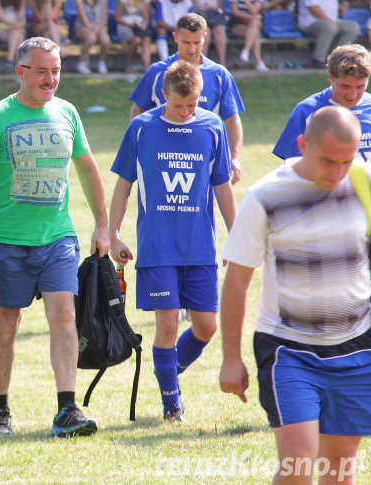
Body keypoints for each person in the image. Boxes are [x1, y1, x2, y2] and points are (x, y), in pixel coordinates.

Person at [0, 37, 109, 437]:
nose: (50, 78)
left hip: (57, 237)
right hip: (5, 239)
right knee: (6, 324)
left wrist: (102, 224)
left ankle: (67, 409)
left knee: (64, 317)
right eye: (42, 70)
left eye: (56, 70)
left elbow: (88, 170)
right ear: (21, 72)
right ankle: (0, 410)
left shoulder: (67, 112)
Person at [219, 105, 371, 484]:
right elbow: (236, 280)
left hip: (356, 346)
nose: (337, 172)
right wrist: (231, 358)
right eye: (328, 161)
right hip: (289, 350)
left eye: (346, 161)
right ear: (302, 144)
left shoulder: (363, 181)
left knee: (340, 467)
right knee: (298, 464)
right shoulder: (265, 197)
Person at [109, 60, 236, 423]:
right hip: (157, 247)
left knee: (206, 327)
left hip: (200, 247)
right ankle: (171, 404)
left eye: (192, 105)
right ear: (163, 95)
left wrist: (237, 235)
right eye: (178, 105)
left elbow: (222, 185)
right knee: (167, 325)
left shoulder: (212, 127)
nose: (185, 112)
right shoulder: (141, 128)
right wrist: (113, 232)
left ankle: (166, 371)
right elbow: (123, 184)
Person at [129, 13, 245, 184]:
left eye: (197, 42)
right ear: (175, 38)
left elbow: (232, 119)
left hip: (203, 157)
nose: (192, 49)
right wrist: (138, 148)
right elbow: (137, 111)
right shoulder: (157, 71)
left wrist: (235, 157)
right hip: (161, 156)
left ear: (205, 37)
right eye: (186, 42)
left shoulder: (219, 75)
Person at [274, 43, 371, 163]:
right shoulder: (307, 111)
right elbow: (291, 166)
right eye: (345, 86)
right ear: (330, 77)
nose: (353, 94)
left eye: (360, 86)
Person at [298, 0, 359, 68]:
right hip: (310, 22)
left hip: (333, 20)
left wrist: (344, 4)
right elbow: (313, 8)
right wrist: (329, 21)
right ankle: (318, 60)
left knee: (352, 27)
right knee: (329, 27)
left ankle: (336, 58)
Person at [74, 0, 111, 74]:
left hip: (98, 26)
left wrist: (98, 28)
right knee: (91, 38)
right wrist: (90, 28)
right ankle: (81, 63)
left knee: (105, 40)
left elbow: (104, 18)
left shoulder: (103, 1)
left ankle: (101, 62)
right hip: (83, 26)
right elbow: (82, 16)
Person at [229, 0, 268, 71]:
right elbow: (235, 12)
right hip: (239, 25)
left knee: (255, 23)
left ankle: (246, 50)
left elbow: (254, 11)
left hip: (253, 24)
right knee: (255, 33)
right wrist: (249, 17)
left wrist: (246, 1)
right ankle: (258, 62)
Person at [114, 0, 152, 72]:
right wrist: (130, 25)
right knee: (136, 40)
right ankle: (128, 65)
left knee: (147, 39)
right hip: (125, 26)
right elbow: (117, 17)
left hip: (140, 27)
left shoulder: (146, 2)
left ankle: (147, 68)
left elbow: (146, 19)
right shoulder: (123, 1)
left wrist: (143, 26)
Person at [0, 0, 27, 70]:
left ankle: (9, 61)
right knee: (17, 34)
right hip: (3, 26)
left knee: (16, 33)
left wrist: (18, 24)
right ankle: (17, 62)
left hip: (18, 27)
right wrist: (12, 25)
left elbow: (23, 20)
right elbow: (0, 17)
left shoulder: (21, 1)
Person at [192, 0, 227, 66]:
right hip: (198, 16)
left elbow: (220, 8)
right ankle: (201, 63)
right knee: (205, 33)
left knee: (220, 30)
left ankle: (222, 63)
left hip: (214, 16)